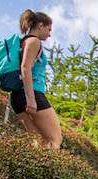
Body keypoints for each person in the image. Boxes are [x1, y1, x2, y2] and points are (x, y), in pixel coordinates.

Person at [10, 10, 61, 150]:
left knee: (39, 142)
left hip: (16, 97)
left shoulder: (22, 42)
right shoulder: (34, 41)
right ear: (40, 25)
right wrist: (31, 98)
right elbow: (25, 68)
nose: (49, 34)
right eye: (48, 29)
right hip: (32, 94)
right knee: (54, 140)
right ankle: (51, 171)